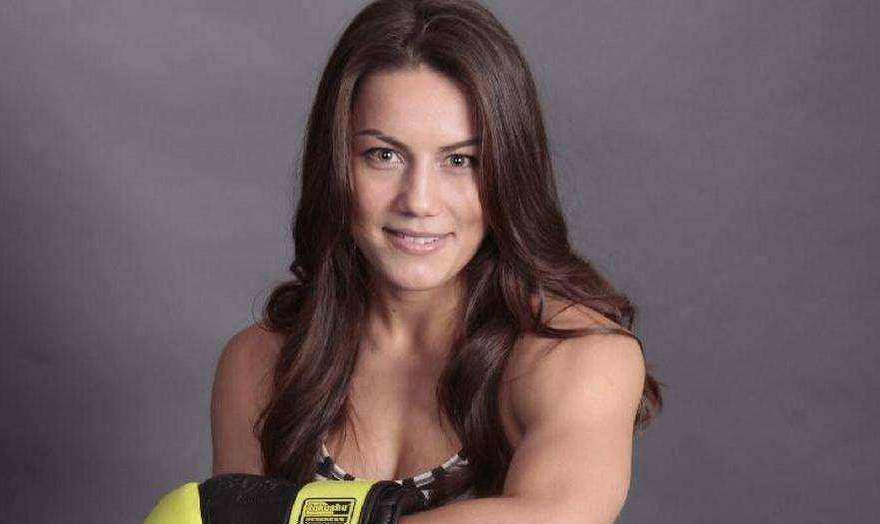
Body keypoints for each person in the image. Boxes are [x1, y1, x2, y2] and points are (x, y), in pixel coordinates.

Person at [201, 0, 664, 523]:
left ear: (508, 173)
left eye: (460, 161)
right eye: (384, 155)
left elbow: (557, 516)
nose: (419, 201)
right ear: (336, 165)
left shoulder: (574, 354)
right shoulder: (258, 364)